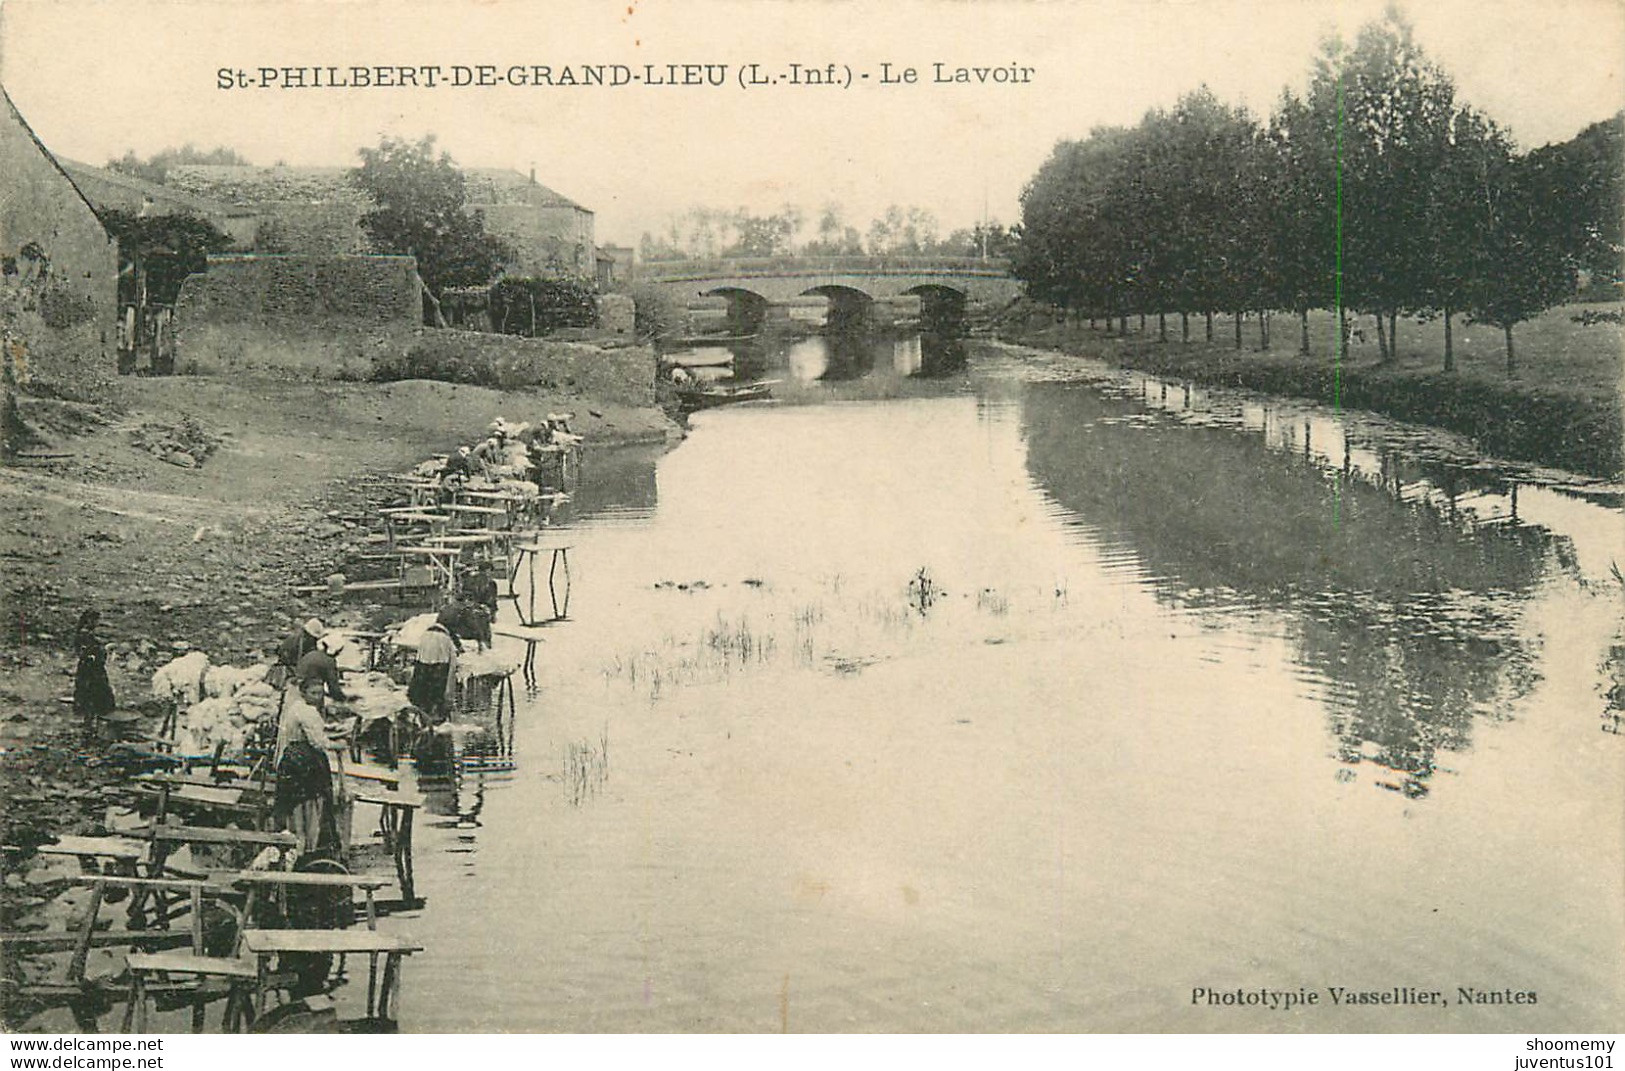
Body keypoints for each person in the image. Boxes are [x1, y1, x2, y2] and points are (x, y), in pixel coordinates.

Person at [272, 676, 347, 857]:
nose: (318, 697)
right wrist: (339, 744)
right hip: (303, 763)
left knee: (295, 805)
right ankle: (307, 848)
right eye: (313, 693)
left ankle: (299, 844)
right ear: (303, 692)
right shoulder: (307, 712)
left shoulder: (294, 708)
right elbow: (318, 742)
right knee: (310, 804)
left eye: (321, 693)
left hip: (291, 759)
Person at [407, 619, 460, 724]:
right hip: (441, 644)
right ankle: (434, 711)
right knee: (438, 676)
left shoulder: (434, 624)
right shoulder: (451, 630)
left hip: (426, 640)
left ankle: (422, 708)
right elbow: (453, 662)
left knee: (423, 670)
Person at [73, 609, 116, 736]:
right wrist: (105, 650)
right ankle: (93, 726)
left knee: (89, 696)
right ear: (90, 620)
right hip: (92, 671)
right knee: (96, 695)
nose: (97, 623)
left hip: (87, 669)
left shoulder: (83, 634)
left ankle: (90, 724)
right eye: (96, 620)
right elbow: (91, 654)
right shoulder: (85, 635)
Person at [294, 631, 348, 703]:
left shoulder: (313, 653)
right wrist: (344, 699)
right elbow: (333, 687)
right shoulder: (329, 661)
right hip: (310, 688)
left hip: (298, 685)